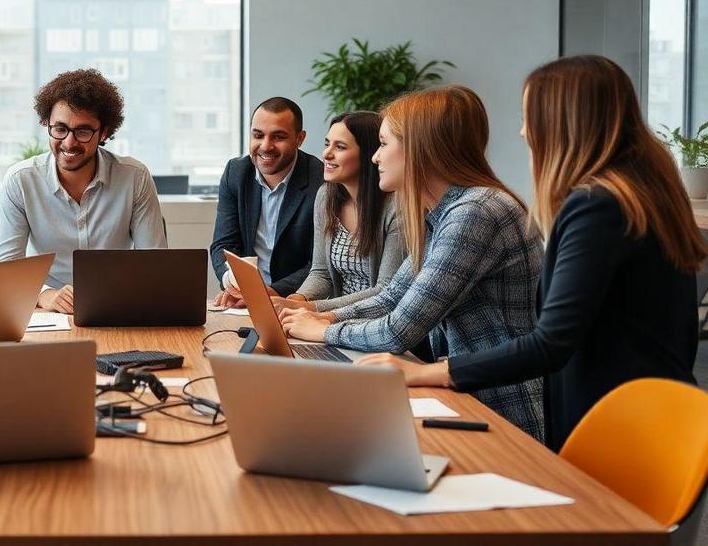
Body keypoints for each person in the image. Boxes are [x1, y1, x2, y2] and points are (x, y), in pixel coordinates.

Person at [356, 56, 705, 450]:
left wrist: (429, 373)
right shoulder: (640, 194)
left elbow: (550, 343)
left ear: (562, 122)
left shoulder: (597, 206)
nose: (523, 132)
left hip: (618, 428)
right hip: (652, 416)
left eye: (528, 116)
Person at [279, 86, 545, 440]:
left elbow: (398, 330)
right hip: (462, 399)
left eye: (385, 144)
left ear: (420, 150)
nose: (376, 157)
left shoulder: (476, 213)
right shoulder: (442, 213)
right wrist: (321, 316)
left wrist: (323, 331)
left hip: (499, 412)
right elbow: (392, 296)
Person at [0, 68, 167, 313]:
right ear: (48, 125)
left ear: (103, 132)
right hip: (47, 313)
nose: (69, 143)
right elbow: (5, 274)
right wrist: (47, 295)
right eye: (60, 129)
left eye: (83, 131)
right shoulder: (20, 181)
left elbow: (155, 267)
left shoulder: (134, 178)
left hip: (117, 306)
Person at [277, 111, 405, 313]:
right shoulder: (326, 197)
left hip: (375, 324)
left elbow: (385, 290)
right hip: (332, 319)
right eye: (327, 144)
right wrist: (297, 299)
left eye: (340, 147)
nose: (326, 154)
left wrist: (313, 307)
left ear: (369, 154)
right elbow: (321, 273)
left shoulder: (397, 208)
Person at [209, 97, 324, 307]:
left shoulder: (321, 181)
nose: (265, 146)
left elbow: (319, 263)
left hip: (295, 301)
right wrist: (234, 284)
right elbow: (223, 245)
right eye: (258, 135)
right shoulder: (236, 173)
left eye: (278, 136)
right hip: (243, 301)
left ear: (300, 139)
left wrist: (270, 292)